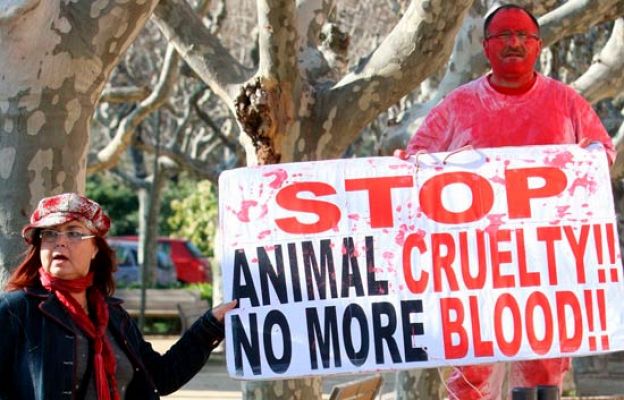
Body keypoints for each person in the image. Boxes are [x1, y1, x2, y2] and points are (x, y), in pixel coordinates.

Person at [397, 4, 615, 400]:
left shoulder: (566, 102)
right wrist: (401, 167)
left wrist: (589, 159)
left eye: (523, 37)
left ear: (537, 45)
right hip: (474, 267)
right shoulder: (458, 106)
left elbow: (602, 150)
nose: (513, 43)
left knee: (543, 368)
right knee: (472, 370)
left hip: (546, 267)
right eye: (503, 36)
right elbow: (416, 158)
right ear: (485, 47)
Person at [0, 192, 237, 399]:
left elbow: (161, 377)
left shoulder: (112, 315)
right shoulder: (15, 310)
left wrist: (210, 325)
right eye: (50, 234)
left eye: (73, 233)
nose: (60, 242)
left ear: (95, 249)